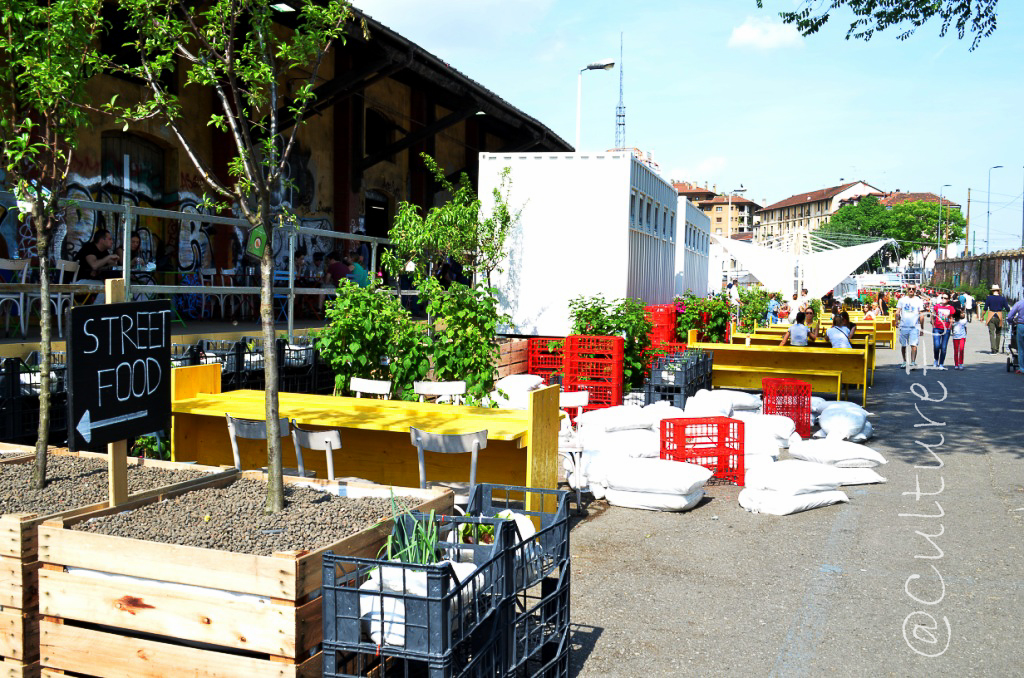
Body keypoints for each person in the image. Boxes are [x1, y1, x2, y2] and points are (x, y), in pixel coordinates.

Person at [895, 285, 925, 369]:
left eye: (913, 289)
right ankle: (904, 361)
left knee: (914, 345)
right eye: (909, 289)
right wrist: (896, 321)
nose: (911, 290)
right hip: (904, 326)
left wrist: (922, 328)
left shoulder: (918, 300)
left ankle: (913, 362)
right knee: (903, 345)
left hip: (914, 326)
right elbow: (898, 311)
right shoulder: (902, 300)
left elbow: (921, 314)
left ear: (915, 290)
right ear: (907, 290)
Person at [930, 293, 955, 370]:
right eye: (942, 298)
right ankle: (936, 359)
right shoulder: (937, 306)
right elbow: (933, 315)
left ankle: (941, 363)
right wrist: (933, 324)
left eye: (945, 298)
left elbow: (951, 318)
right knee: (936, 345)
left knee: (943, 347)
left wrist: (950, 327)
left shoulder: (951, 308)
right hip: (937, 328)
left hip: (946, 329)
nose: (943, 299)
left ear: (948, 300)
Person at [984, 284, 1010, 354]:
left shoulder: (989, 298)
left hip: (991, 316)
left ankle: (993, 349)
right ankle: (997, 348)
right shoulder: (1002, 298)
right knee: (998, 333)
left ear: (992, 291)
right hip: (999, 316)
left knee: (992, 333)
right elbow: (1007, 308)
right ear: (998, 291)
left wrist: (982, 316)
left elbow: (985, 308)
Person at [1007, 296, 1024, 374]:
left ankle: (1022, 368)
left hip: (1021, 325)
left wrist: (1011, 322)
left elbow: (1010, 316)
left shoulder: (1019, 304)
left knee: (1021, 348)